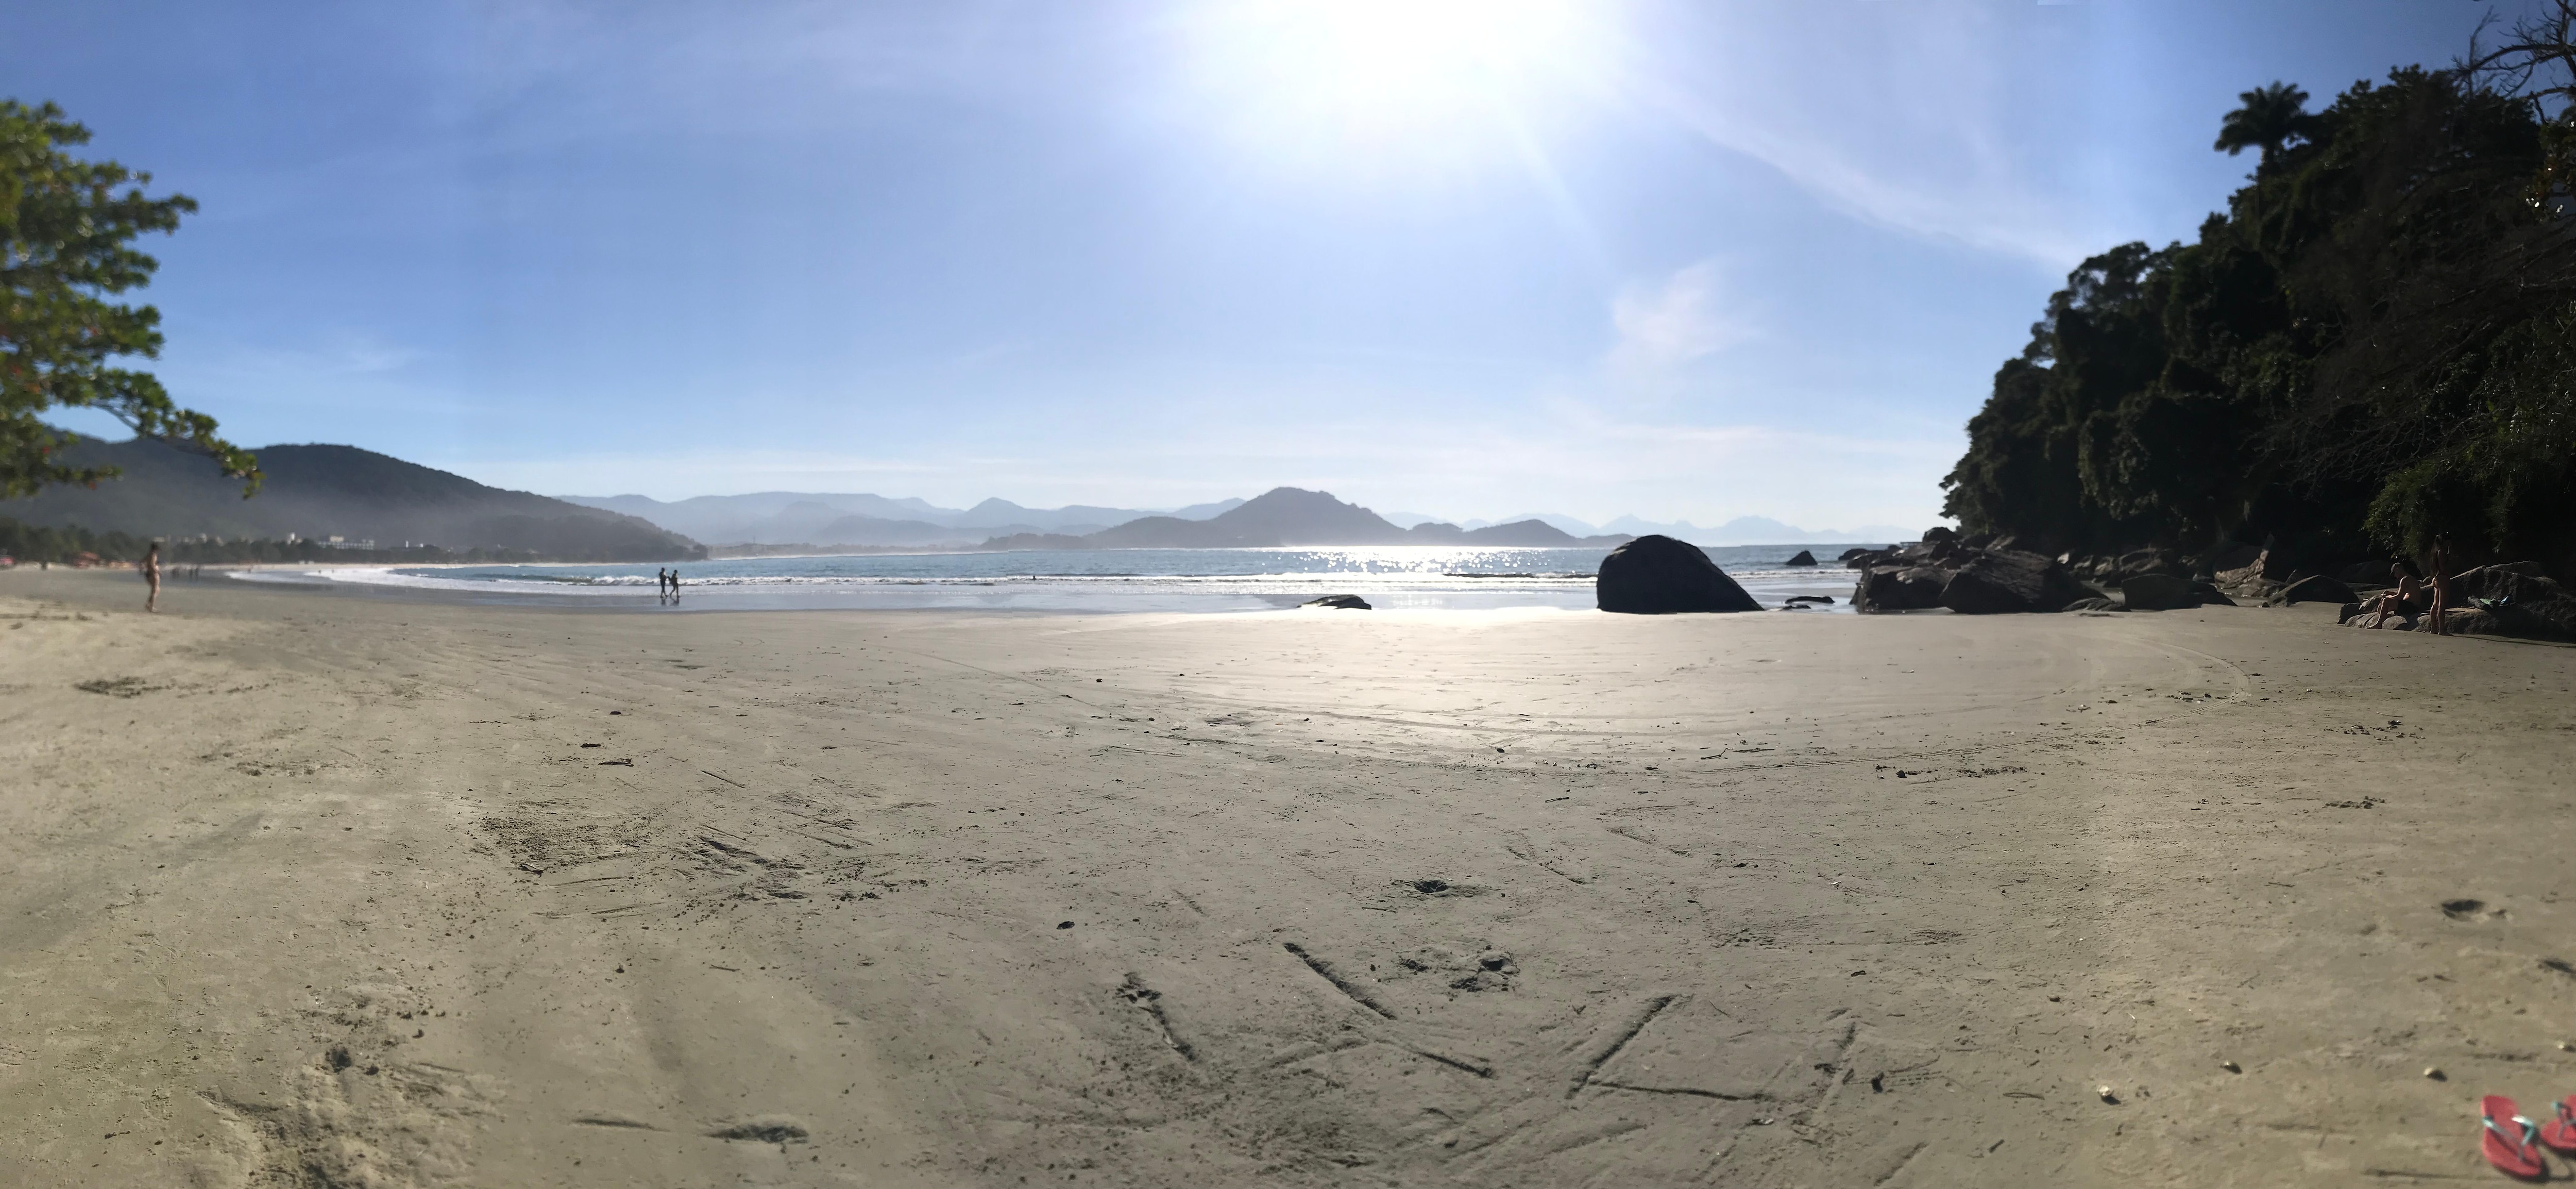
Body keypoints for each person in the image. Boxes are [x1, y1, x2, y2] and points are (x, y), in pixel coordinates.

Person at [2366, 560, 2425, 628]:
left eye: (2394, 573)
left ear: (2397, 569)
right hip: (2411, 605)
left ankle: (2379, 624)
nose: (2395, 576)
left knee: (2386, 601)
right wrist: (2389, 594)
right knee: (2385, 601)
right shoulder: (2409, 578)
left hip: (2412, 607)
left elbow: (2399, 597)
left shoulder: (2405, 579)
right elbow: (2403, 594)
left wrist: (2387, 597)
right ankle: (2384, 616)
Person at [142, 541, 161, 613]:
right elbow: (153, 565)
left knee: (157, 590)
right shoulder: (153, 555)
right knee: (154, 591)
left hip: (149, 574)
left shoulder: (149, 555)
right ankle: (151, 607)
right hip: (153, 574)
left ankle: (148, 604)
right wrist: (158, 571)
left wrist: (143, 568)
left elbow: (142, 561)